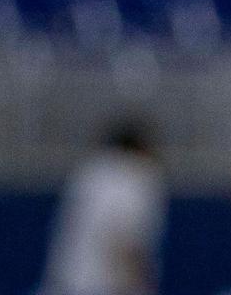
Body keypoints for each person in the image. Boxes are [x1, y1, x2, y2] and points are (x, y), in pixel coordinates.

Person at [41, 119, 168, 295]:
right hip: (104, 286)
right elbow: (125, 241)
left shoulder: (89, 171)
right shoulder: (136, 175)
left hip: (66, 282)